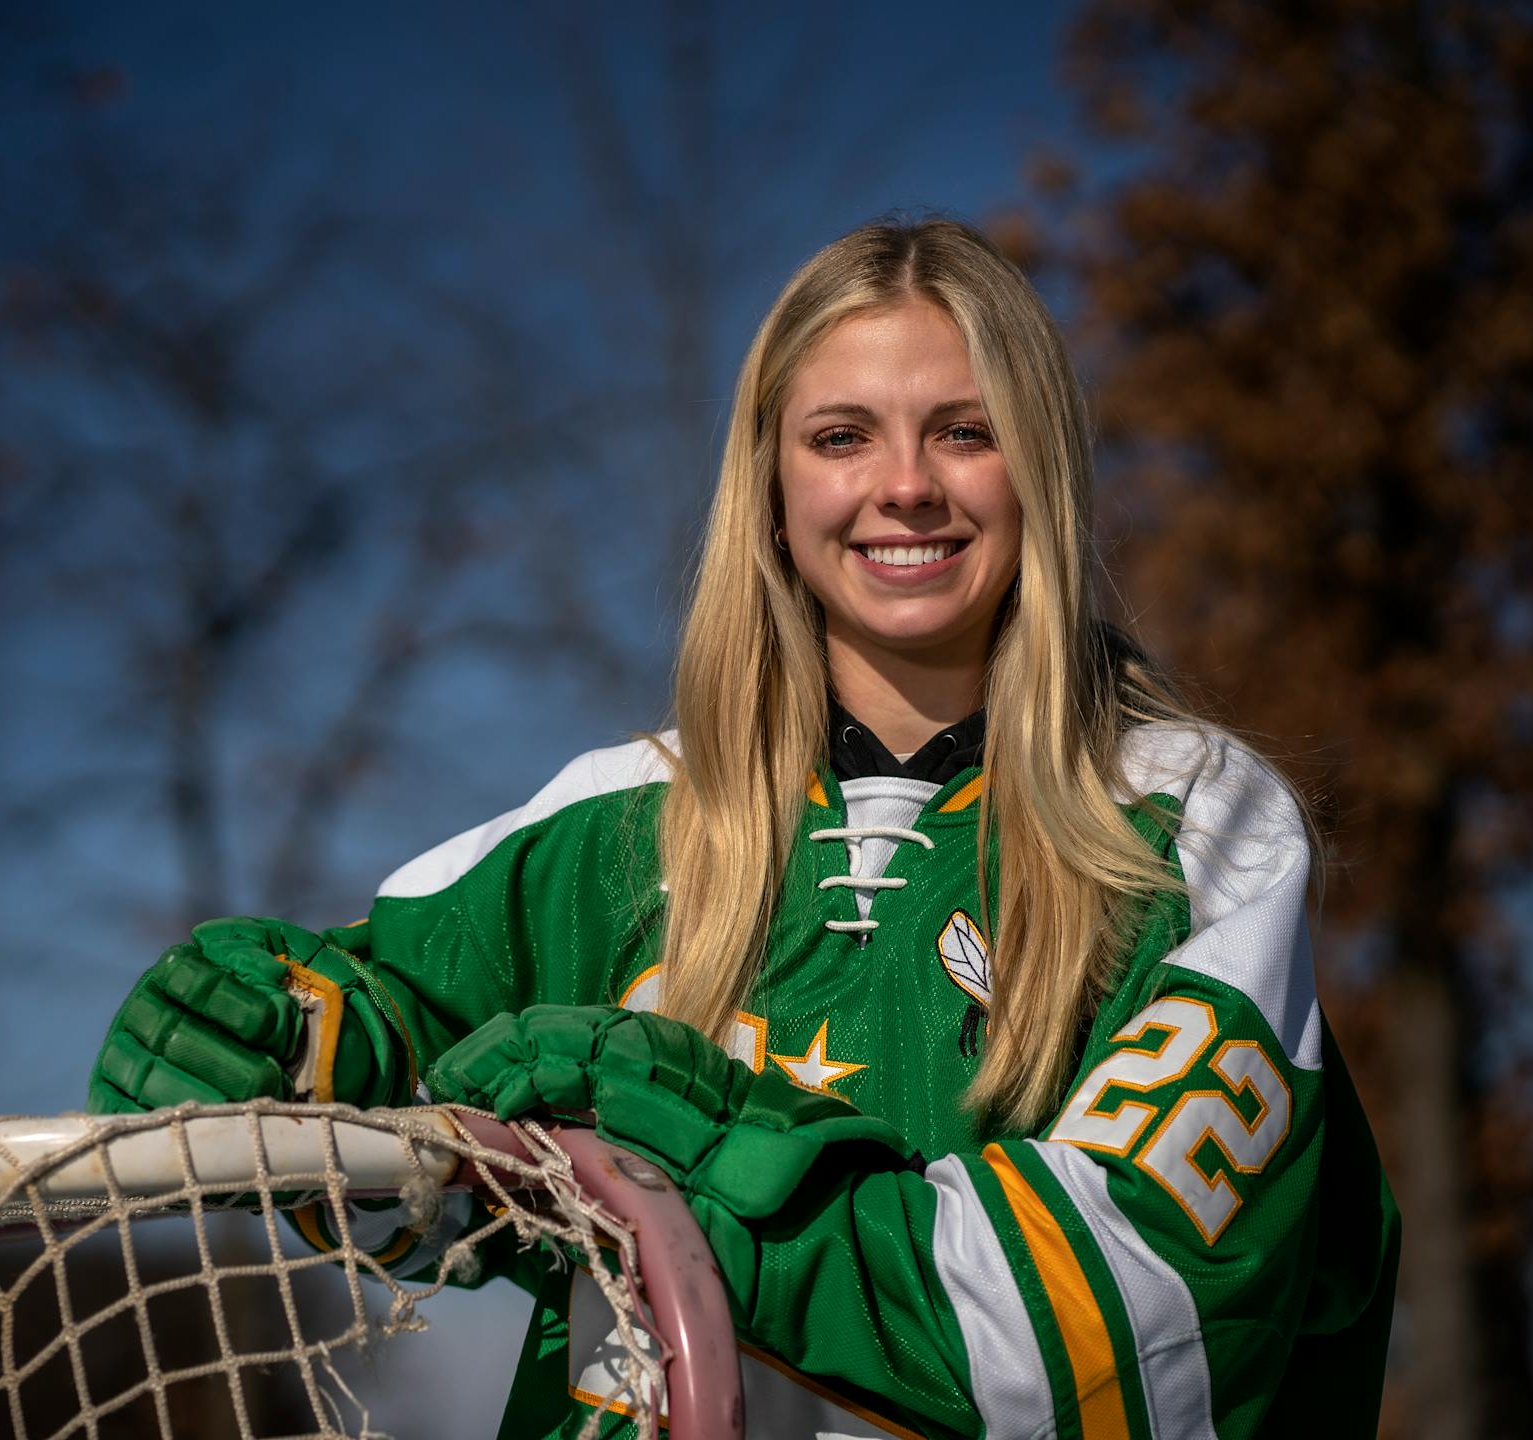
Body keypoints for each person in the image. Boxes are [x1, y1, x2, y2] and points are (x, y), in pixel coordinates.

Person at [86, 217, 1400, 1439]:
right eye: (841, 437)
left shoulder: (1183, 815)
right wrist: (286, 1041)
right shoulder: (616, 822)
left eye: (962, 430)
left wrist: (705, 1149)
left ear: (1041, 467)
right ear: (770, 485)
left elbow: (1120, 1336)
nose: (904, 488)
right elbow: (402, 1079)